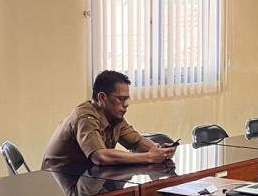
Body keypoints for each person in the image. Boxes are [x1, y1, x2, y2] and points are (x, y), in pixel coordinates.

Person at [41, 70, 175, 172]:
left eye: (127, 99)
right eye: (121, 99)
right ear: (102, 98)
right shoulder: (85, 117)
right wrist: (149, 157)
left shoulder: (114, 116)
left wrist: (158, 150)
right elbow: (100, 157)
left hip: (87, 176)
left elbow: (137, 142)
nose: (126, 104)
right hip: (58, 180)